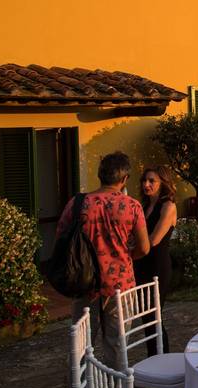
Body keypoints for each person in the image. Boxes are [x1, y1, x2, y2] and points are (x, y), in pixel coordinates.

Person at [57, 152, 149, 369]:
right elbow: (144, 247)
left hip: (85, 282)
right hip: (120, 284)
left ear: (100, 176)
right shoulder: (132, 206)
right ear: (124, 179)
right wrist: (126, 257)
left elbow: (60, 238)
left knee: (79, 346)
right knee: (117, 344)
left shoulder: (78, 204)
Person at [134, 165, 176, 356]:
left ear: (163, 183)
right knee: (146, 317)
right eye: (144, 180)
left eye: (152, 181)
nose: (146, 184)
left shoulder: (168, 206)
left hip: (157, 266)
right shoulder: (144, 207)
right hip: (142, 265)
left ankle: (161, 359)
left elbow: (154, 240)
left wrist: (130, 251)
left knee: (154, 316)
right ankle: (154, 359)